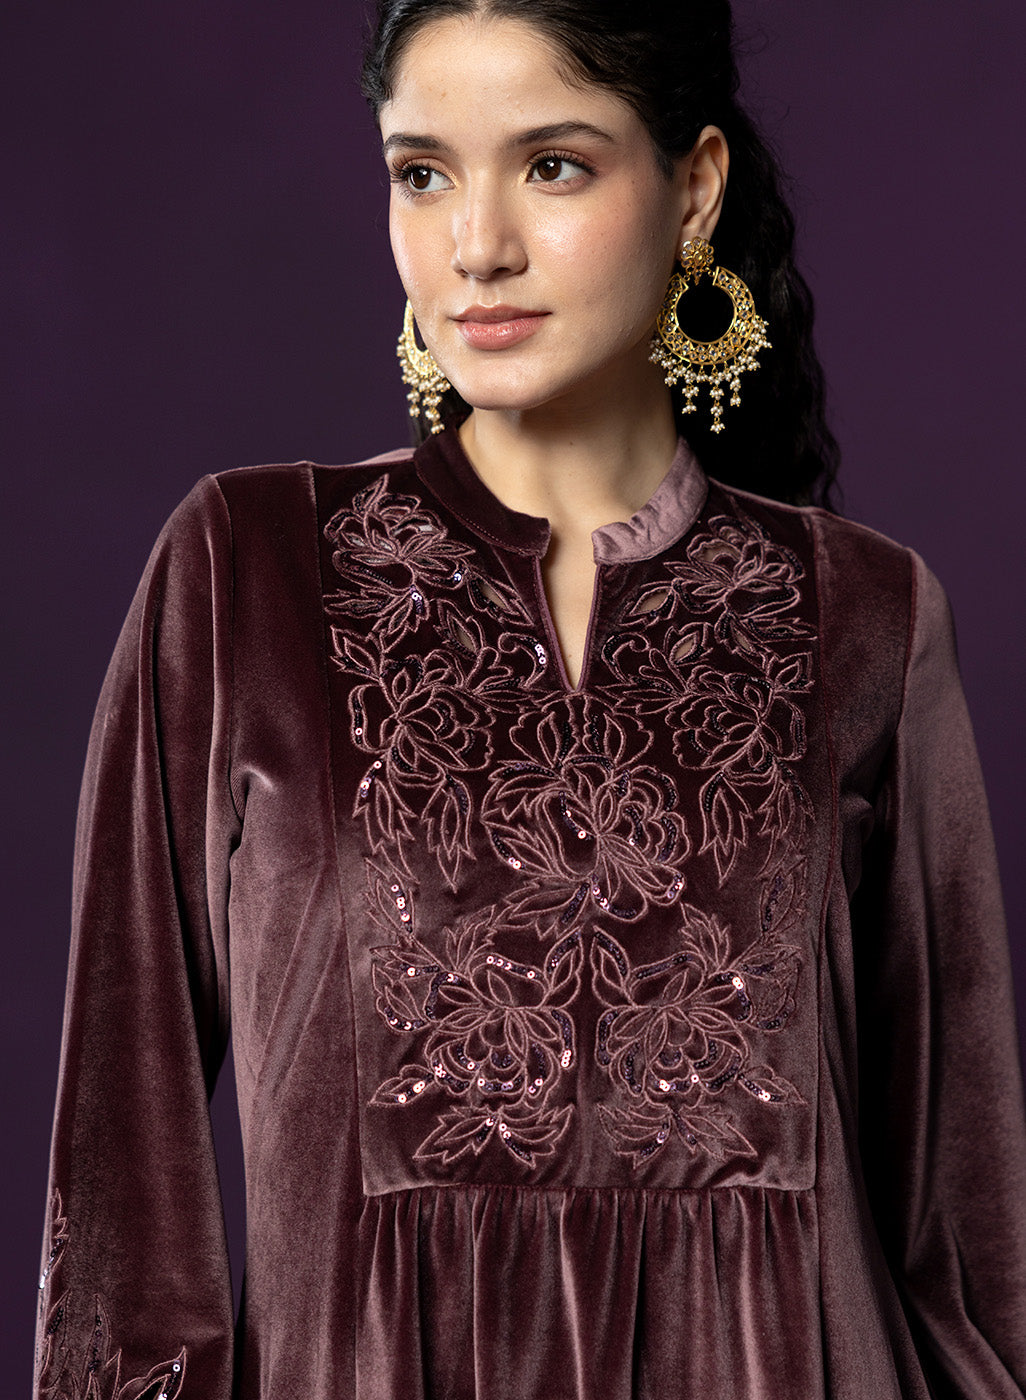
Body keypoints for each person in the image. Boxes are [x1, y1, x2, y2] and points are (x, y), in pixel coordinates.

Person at [34, 1, 1026, 1397]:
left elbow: (962, 1244)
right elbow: (121, 1182)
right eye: (422, 173)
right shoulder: (245, 569)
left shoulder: (865, 611)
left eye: (552, 165)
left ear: (694, 188)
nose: (476, 244)